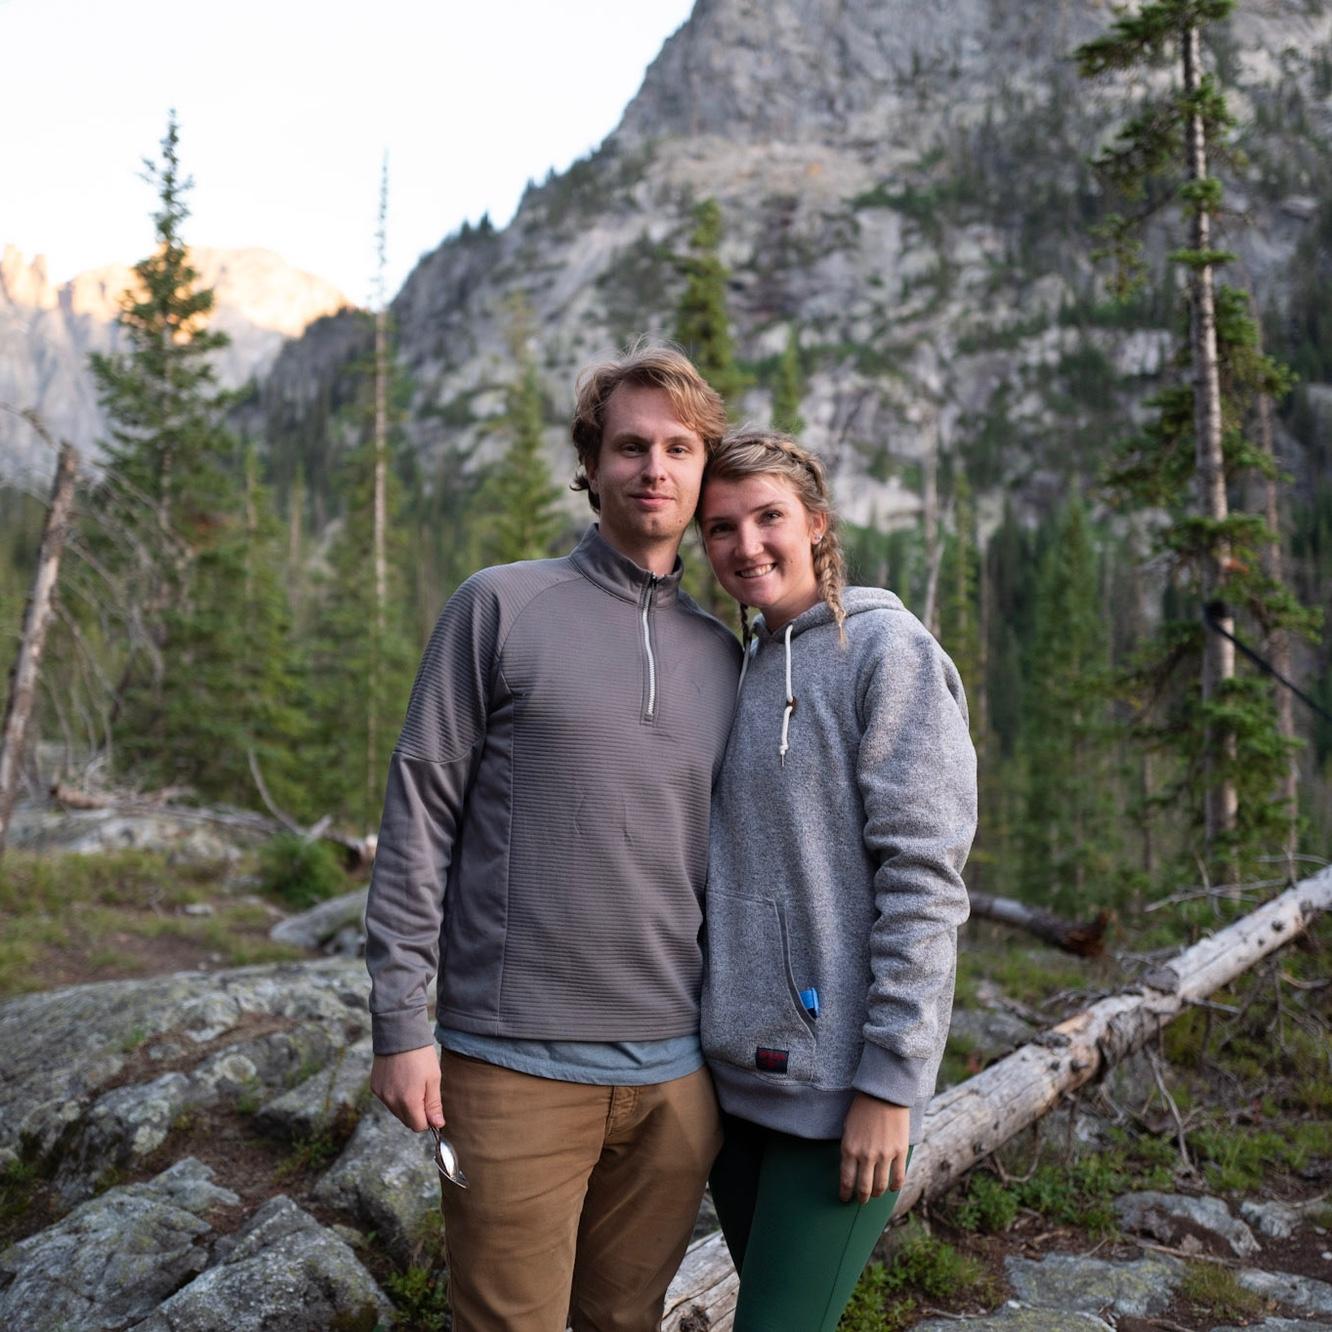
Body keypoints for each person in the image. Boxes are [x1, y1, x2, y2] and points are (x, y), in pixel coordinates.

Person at [364, 344, 740, 1331]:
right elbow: (419, 811)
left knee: (625, 1323)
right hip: (508, 1070)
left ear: (704, 470)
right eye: (630, 446)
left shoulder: (723, 655)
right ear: (591, 464)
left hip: (674, 1084)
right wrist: (401, 1023)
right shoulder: (501, 605)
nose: (653, 468)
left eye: (678, 448)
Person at [696, 429, 977, 1332]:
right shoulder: (740, 665)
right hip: (736, 1084)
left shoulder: (887, 651)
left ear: (816, 523)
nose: (746, 545)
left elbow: (924, 879)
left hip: (840, 1093)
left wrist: (891, 1084)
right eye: (721, 527)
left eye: (768, 517)